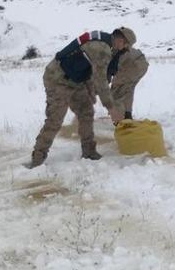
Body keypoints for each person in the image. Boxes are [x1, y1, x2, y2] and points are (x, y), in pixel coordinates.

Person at [28, 28, 133, 168]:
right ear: (120, 40)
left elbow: (89, 69)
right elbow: (101, 80)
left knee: (86, 112)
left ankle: (89, 151)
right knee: (55, 119)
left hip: (75, 82)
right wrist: (111, 108)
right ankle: (37, 158)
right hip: (57, 79)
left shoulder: (104, 43)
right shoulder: (102, 49)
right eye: (126, 45)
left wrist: (89, 91)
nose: (124, 49)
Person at [108, 30, 149, 120]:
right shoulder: (115, 46)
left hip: (134, 65)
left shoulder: (112, 48)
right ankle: (127, 114)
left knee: (118, 91)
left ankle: (119, 119)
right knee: (127, 88)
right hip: (139, 63)